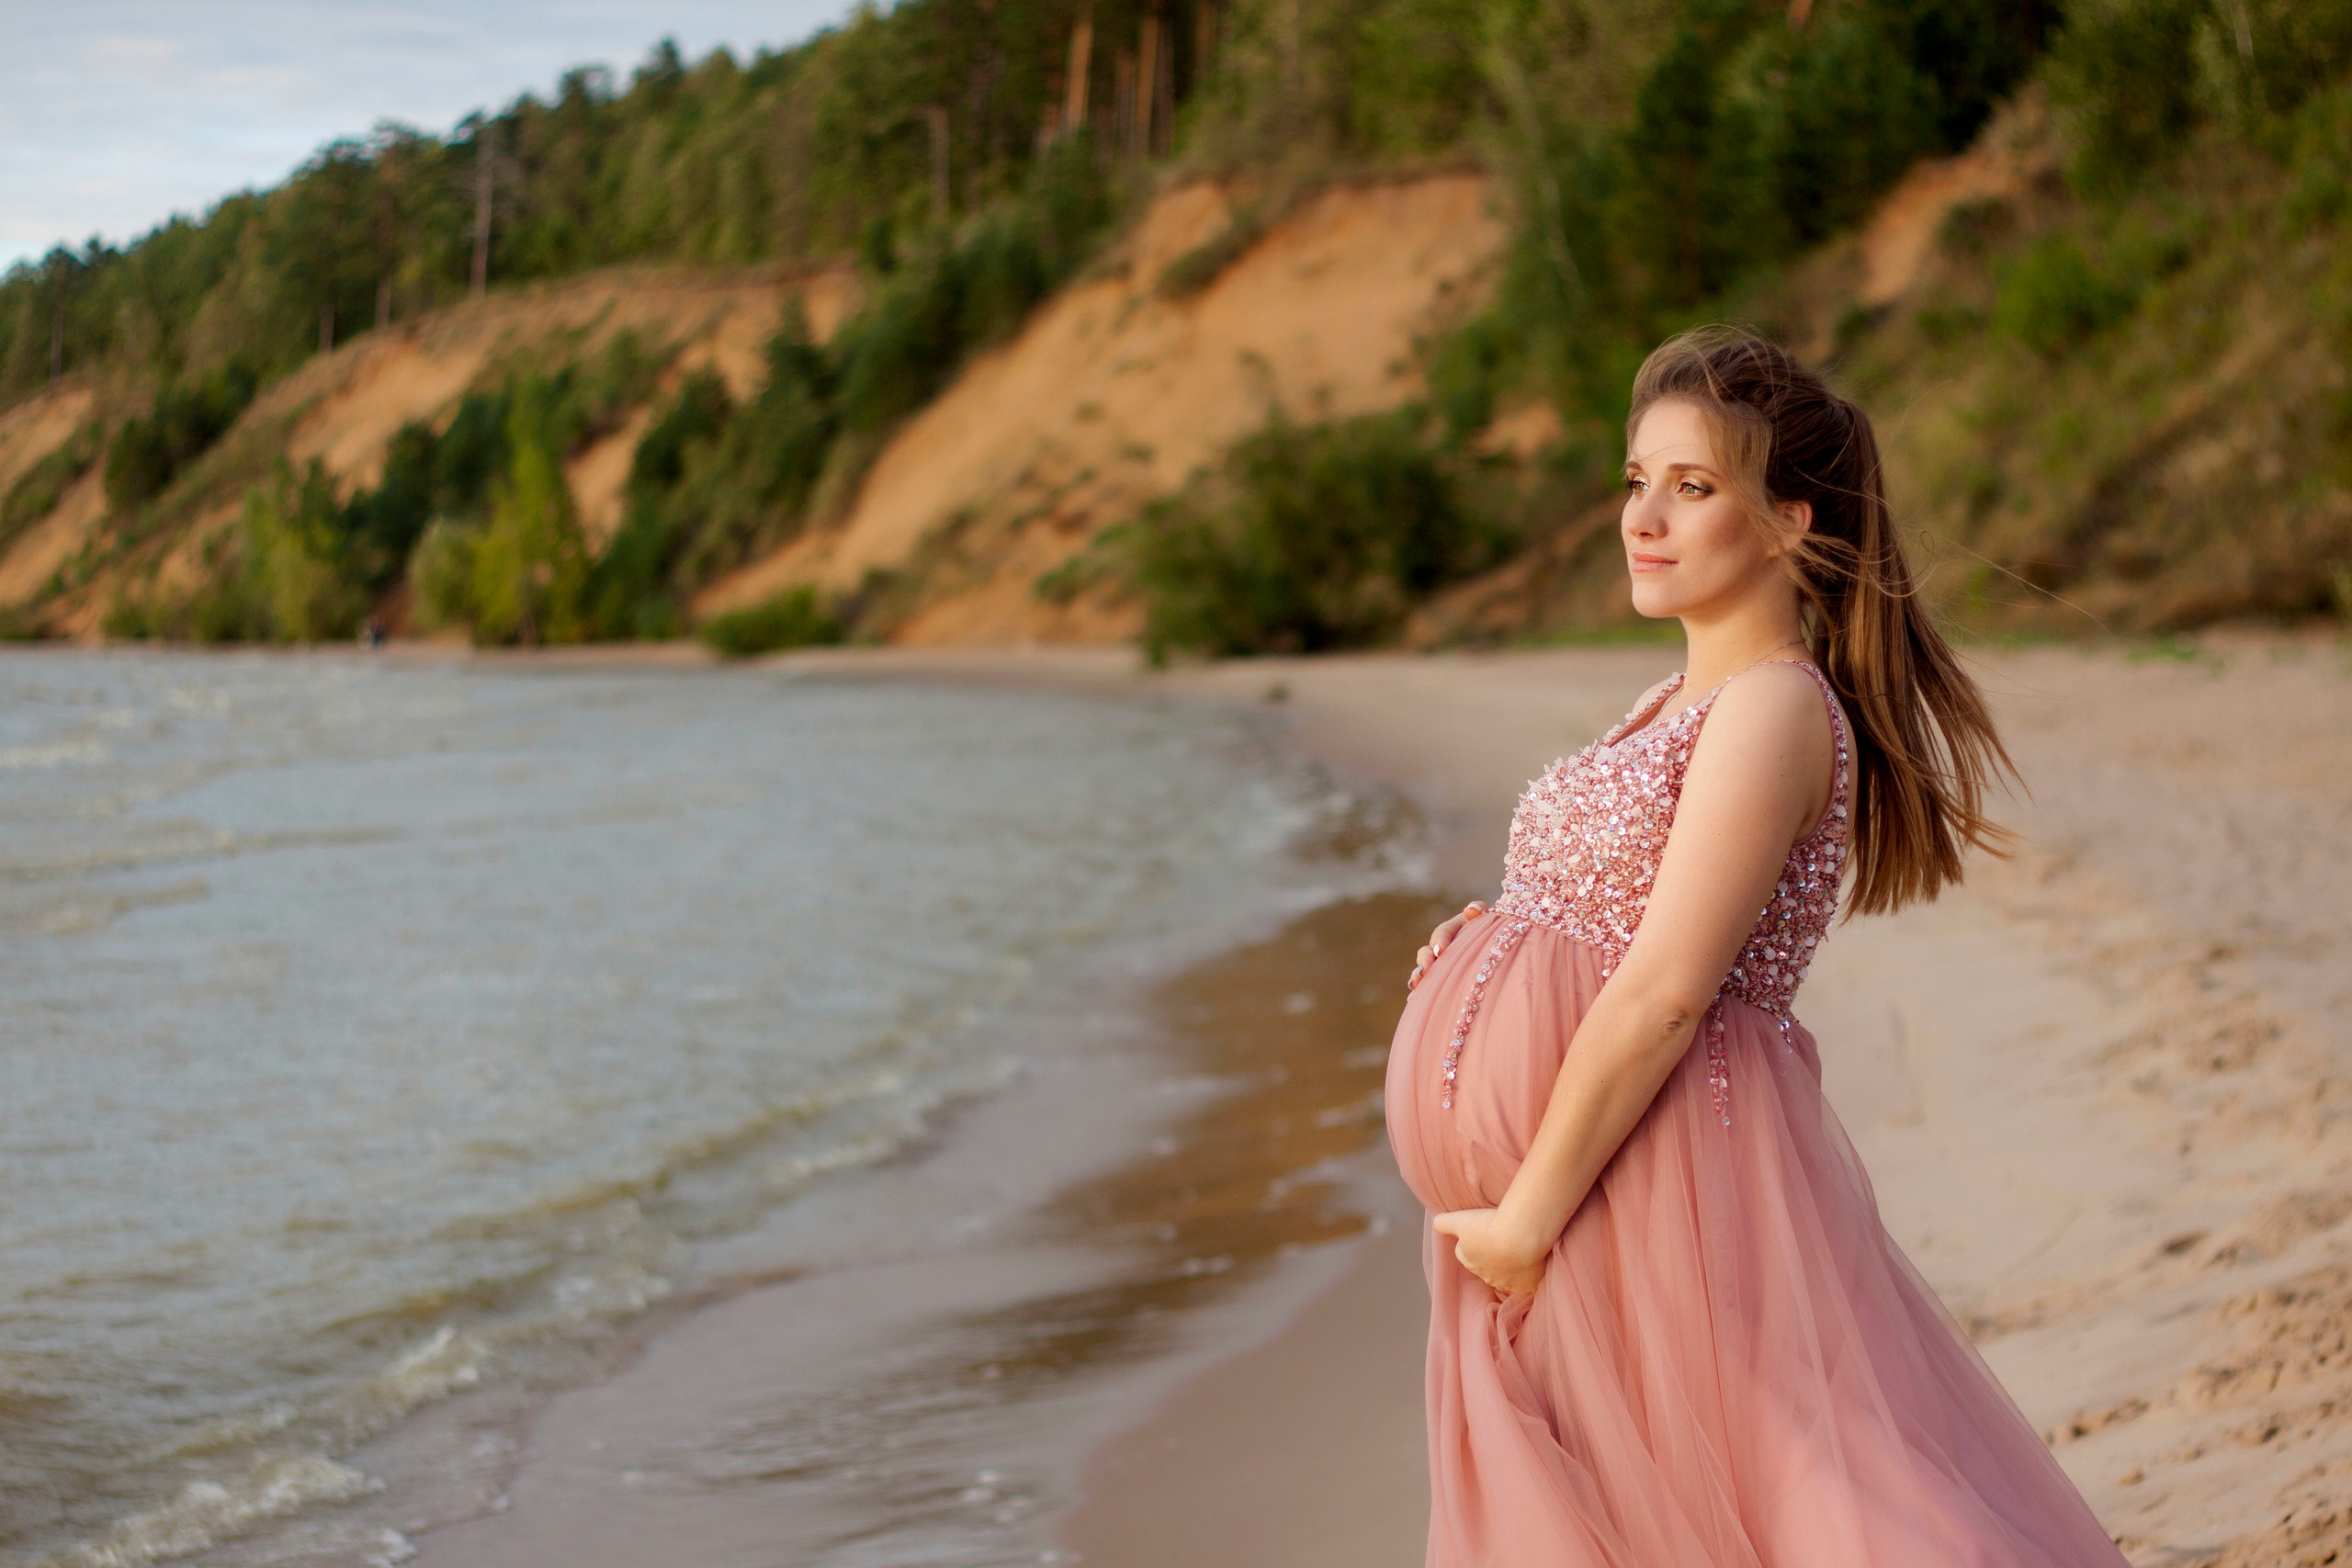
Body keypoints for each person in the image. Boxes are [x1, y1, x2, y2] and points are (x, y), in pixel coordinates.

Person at [1384, 326, 2130, 1566]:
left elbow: (1671, 991)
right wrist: (1497, 938)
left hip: (1645, 1170)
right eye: (1637, 482)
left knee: (1780, 1494)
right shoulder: (1664, 707)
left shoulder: (1773, 708)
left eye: (1693, 488)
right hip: (1574, 1177)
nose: (1646, 517)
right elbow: (1612, 914)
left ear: (1790, 523)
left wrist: (1528, 1213)